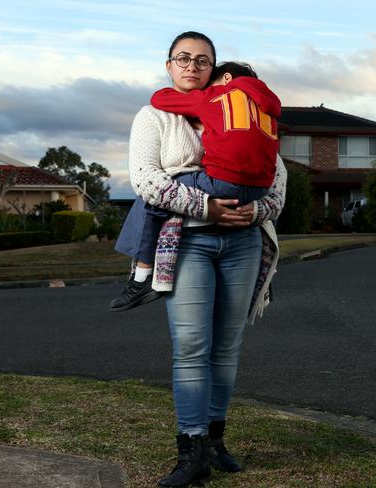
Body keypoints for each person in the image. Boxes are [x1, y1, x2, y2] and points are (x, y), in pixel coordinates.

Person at [116, 31, 286, 487]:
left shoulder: (244, 107)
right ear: (169, 65)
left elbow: (275, 179)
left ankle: (215, 439)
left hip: (243, 242)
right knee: (192, 345)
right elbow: (147, 182)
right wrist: (205, 207)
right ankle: (190, 451)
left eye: (202, 60)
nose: (192, 66)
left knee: (227, 346)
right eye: (183, 58)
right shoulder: (153, 116)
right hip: (186, 242)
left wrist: (256, 209)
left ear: (216, 68)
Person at [110, 61, 281, 312]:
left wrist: (195, 94)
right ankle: (263, 275)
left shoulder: (217, 96)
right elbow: (278, 169)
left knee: (156, 195)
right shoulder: (268, 111)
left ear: (225, 78)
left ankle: (142, 276)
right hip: (258, 189)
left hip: (223, 183)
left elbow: (160, 99)